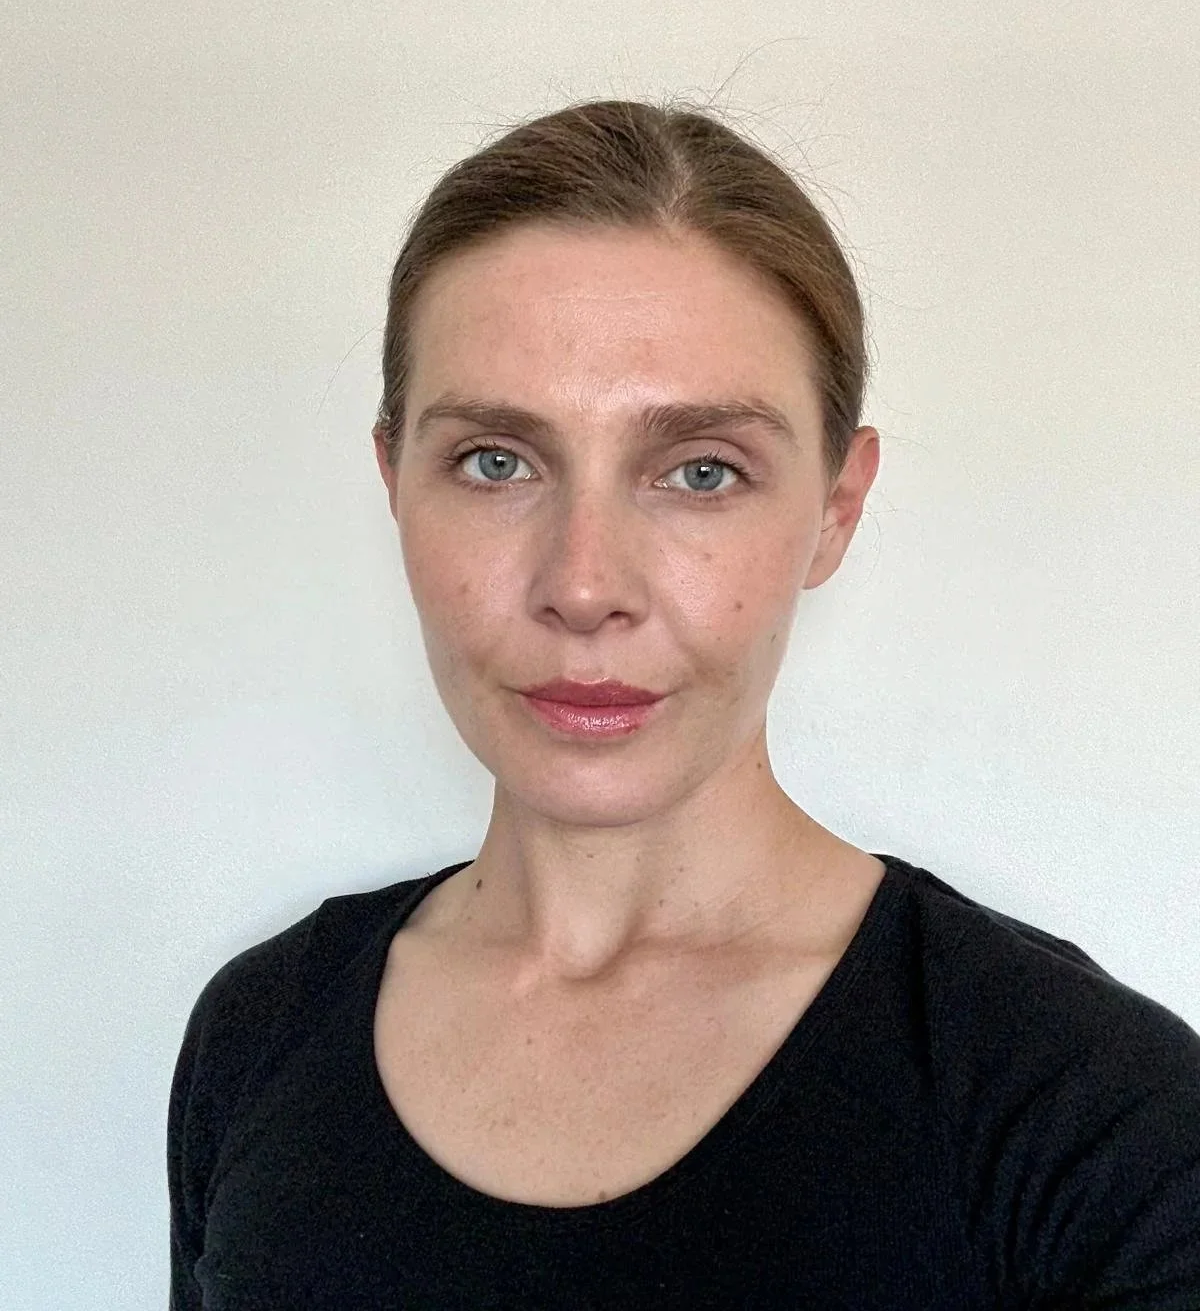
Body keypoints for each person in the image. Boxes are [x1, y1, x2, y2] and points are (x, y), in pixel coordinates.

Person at [167, 99, 1200, 1309]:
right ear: (395, 481)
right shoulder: (258, 1035)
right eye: (497, 461)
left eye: (701, 471)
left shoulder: (1092, 1114)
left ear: (835, 508)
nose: (585, 584)